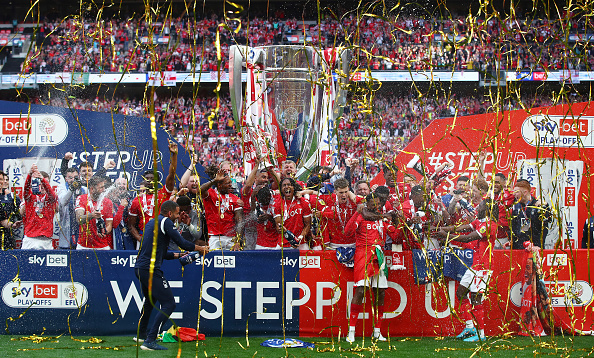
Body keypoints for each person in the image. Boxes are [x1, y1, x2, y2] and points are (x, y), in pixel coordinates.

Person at [134, 200, 209, 351]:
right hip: (150, 270)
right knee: (169, 304)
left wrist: (178, 255)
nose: (178, 215)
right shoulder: (166, 222)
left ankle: (141, 335)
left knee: (149, 303)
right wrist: (201, 248)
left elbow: (160, 252)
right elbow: (182, 242)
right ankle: (150, 340)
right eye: (176, 213)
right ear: (169, 213)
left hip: (140, 268)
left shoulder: (152, 222)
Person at [437, 199, 499, 342]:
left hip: (484, 267)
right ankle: (470, 327)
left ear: (487, 208)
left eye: (481, 204)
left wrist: (446, 236)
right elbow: (461, 228)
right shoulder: (479, 221)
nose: (478, 205)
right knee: (461, 292)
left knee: (476, 298)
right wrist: (443, 230)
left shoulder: (489, 225)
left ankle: (481, 334)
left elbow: (467, 238)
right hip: (475, 266)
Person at [344, 193, 397, 342]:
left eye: (378, 203)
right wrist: (356, 213)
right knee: (360, 291)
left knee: (380, 293)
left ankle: (377, 331)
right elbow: (347, 232)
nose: (376, 206)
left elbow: (396, 236)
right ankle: (352, 331)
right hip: (363, 254)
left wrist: (402, 221)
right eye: (373, 203)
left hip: (379, 255)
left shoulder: (383, 219)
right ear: (367, 203)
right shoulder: (361, 216)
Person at [128, 141, 178, 246]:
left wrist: (174, 155)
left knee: (162, 262)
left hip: (161, 236)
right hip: (143, 237)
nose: (150, 181)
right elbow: (131, 225)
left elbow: (171, 175)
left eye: (153, 179)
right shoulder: (136, 201)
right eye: (147, 179)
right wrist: (140, 239)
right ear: (143, 181)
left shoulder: (163, 194)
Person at [200, 168, 244, 250]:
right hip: (214, 237)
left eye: (230, 182)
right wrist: (214, 180)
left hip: (231, 238)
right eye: (228, 183)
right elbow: (200, 190)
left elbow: (240, 220)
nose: (231, 185)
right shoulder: (211, 194)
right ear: (219, 185)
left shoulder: (235, 199)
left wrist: (238, 240)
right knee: (214, 260)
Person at [21, 165, 57, 250]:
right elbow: (25, 189)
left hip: (46, 240)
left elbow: (52, 195)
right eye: (41, 183)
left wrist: (42, 179)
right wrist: (29, 175)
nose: (43, 185)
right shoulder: (30, 196)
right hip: (30, 238)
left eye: (46, 183)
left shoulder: (50, 198)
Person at [510, 179, 552, 249]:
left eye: (516, 192)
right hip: (520, 247)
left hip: (535, 247)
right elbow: (514, 226)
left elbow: (544, 227)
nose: (514, 194)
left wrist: (538, 245)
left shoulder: (538, 205)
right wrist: (513, 241)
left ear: (525, 192)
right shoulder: (516, 206)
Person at [75, 176, 114, 250]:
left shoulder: (108, 202)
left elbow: (109, 224)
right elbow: (79, 219)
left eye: (104, 187)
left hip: (102, 247)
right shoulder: (81, 199)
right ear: (92, 189)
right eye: (101, 188)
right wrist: (91, 215)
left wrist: (104, 231)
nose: (104, 190)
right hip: (83, 246)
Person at [274, 177, 311, 250]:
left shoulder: (304, 202)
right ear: (281, 189)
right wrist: (286, 233)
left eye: (289, 184)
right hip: (283, 244)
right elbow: (278, 227)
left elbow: (307, 225)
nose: (287, 187)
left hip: (301, 243)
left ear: (294, 187)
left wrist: (299, 238)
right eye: (284, 185)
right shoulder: (277, 203)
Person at [56, 167, 86, 249]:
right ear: (66, 179)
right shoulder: (61, 187)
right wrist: (72, 189)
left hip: (81, 233)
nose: (73, 180)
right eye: (70, 178)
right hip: (66, 233)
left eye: (75, 177)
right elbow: (63, 201)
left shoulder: (84, 189)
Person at [0, 171, 22, 249]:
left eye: (6, 180)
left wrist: (13, 224)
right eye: (2, 180)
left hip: (6, 235)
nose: (4, 182)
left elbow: (3, 220)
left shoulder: (12, 197)